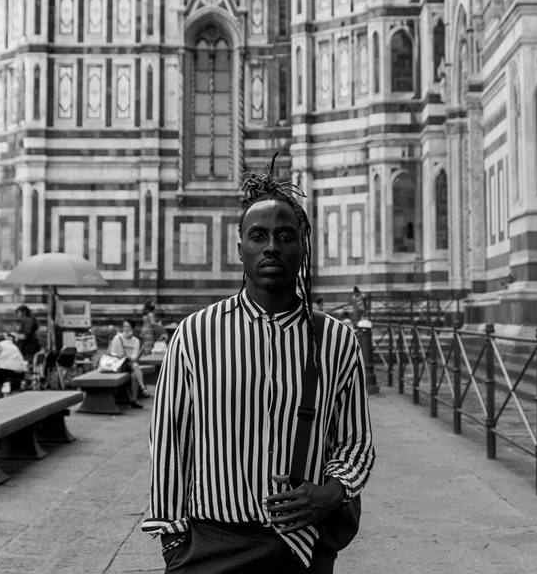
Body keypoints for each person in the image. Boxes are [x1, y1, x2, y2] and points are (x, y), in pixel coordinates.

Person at [142, 157, 374, 573]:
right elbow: (170, 440)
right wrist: (175, 538)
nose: (271, 247)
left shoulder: (337, 339)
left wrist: (331, 492)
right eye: (258, 236)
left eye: (285, 236)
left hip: (301, 544)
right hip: (211, 543)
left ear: (303, 247)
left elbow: (355, 441)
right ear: (240, 249)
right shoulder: (195, 334)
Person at [108, 319, 149, 407]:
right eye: (124, 326)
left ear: (132, 328)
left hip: (130, 364)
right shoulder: (117, 338)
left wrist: (129, 357)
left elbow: (134, 357)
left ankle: (134, 400)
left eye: (128, 326)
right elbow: (113, 353)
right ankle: (143, 388)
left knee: (134, 375)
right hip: (118, 364)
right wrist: (122, 356)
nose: (126, 328)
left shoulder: (135, 340)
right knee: (135, 366)